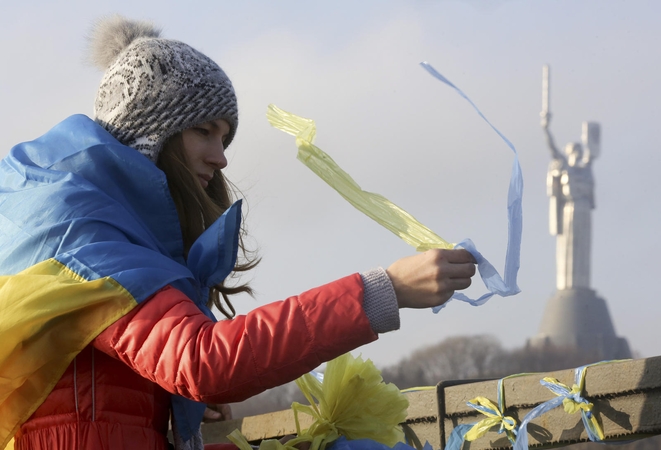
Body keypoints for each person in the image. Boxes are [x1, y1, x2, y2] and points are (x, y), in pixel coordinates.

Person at [0, 15, 476, 450]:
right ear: (150, 133)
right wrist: (383, 291)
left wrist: (162, 397)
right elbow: (204, 364)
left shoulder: (85, 217)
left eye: (224, 138)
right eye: (204, 132)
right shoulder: (80, 229)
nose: (221, 156)